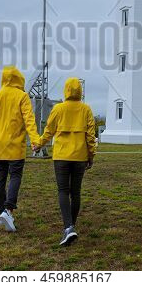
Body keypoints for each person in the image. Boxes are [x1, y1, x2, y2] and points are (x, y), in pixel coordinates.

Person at [33, 77, 96, 246]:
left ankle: (68, 227)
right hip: (80, 157)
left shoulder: (58, 108)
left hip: (61, 156)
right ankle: (71, 226)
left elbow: (49, 131)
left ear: (66, 90)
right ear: (80, 91)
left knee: (63, 191)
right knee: (75, 192)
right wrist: (91, 155)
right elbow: (90, 135)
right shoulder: (86, 109)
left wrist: (38, 144)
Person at [0, 66, 40, 232]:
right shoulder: (22, 96)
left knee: (0, 178)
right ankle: (8, 210)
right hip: (15, 146)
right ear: (19, 79)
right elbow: (29, 120)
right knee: (15, 176)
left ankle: (1, 211)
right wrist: (35, 140)